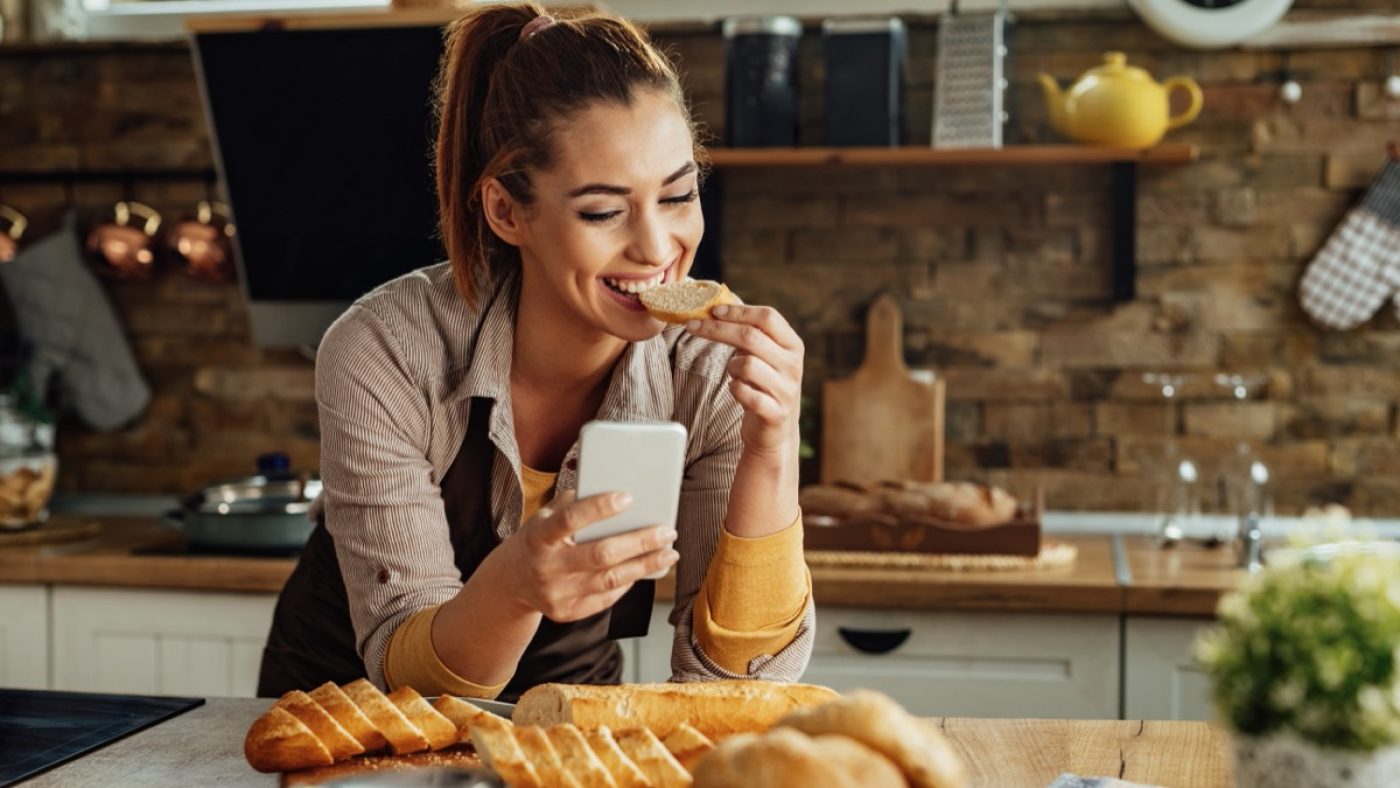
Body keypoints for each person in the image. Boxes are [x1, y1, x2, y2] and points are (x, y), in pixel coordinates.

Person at [257, 2, 813, 701]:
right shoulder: (385, 350)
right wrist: (516, 585)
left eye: (677, 196)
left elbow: (735, 687)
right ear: (506, 212)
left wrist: (772, 445)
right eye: (604, 211)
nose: (656, 248)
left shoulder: (709, 372)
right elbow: (410, 678)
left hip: (565, 711)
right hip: (347, 712)